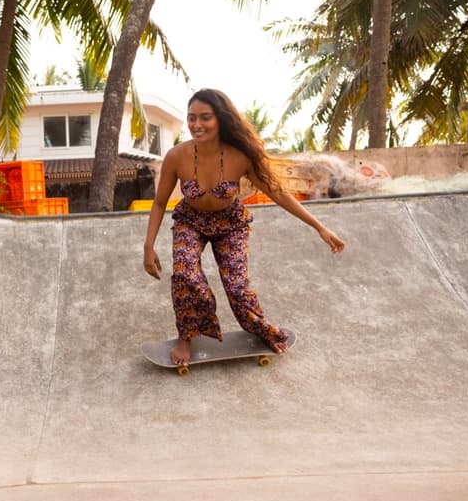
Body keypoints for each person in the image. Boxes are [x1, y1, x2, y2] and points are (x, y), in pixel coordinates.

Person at [143, 88, 345, 367]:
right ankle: (186, 335)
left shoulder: (240, 156)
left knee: (237, 289)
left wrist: (320, 227)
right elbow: (159, 203)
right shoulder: (177, 157)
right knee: (185, 275)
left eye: (205, 118)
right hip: (191, 222)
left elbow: (278, 193)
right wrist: (148, 246)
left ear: (221, 119)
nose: (196, 125)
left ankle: (260, 330)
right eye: (191, 118)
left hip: (231, 226)